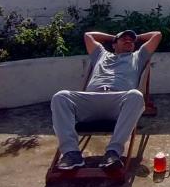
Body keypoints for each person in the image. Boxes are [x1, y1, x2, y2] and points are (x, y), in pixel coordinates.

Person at [51, 28, 162, 171]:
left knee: (136, 96)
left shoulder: (138, 57)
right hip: (91, 101)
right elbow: (88, 35)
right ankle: (71, 154)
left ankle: (113, 153)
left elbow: (157, 35)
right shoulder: (100, 54)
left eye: (131, 40)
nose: (128, 40)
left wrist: (135, 37)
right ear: (114, 44)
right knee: (60, 96)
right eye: (123, 39)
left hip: (118, 102)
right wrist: (113, 37)